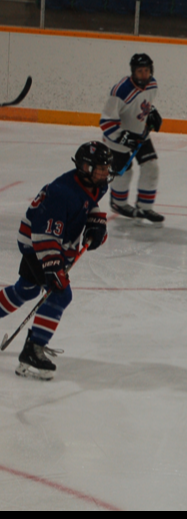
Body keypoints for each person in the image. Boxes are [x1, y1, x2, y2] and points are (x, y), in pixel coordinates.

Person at [0, 142, 112, 380]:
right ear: (84, 167)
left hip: (52, 243)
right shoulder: (62, 193)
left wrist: (96, 222)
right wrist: (53, 267)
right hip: (38, 246)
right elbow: (44, 234)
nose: (104, 173)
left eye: (106, 168)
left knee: (26, 290)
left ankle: (32, 347)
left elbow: (89, 205)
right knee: (60, 293)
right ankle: (32, 351)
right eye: (100, 168)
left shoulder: (94, 185)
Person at [101, 53, 165, 224]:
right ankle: (118, 203)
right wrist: (122, 137)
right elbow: (106, 121)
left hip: (140, 134)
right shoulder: (120, 91)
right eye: (140, 71)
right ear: (133, 72)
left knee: (151, 167)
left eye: (146, 70)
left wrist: (151, 113)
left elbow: (143, 104)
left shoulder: (152, 84)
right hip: (117, 138)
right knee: (125, 174)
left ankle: (144, 207)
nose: (144, 75)